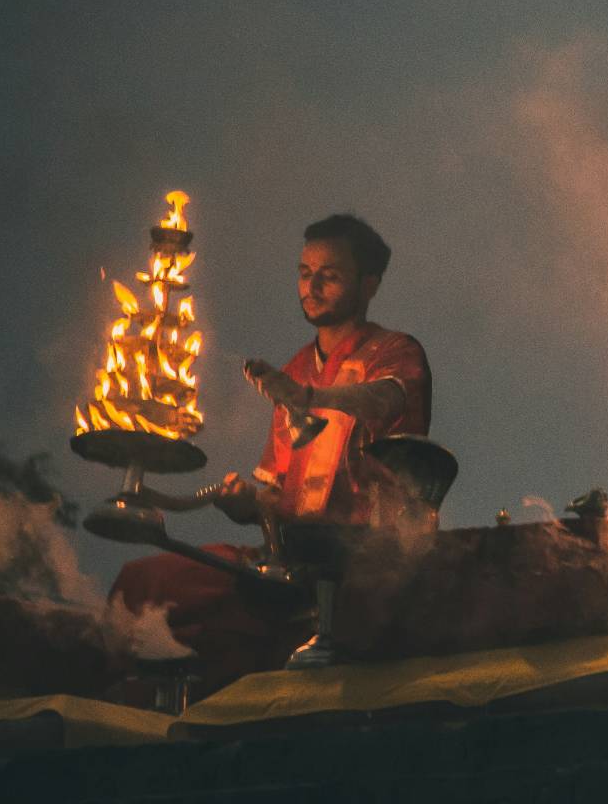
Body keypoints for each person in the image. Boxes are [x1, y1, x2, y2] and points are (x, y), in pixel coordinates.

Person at [110, 214, 432, 688]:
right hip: (284, 560)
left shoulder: (394, 352)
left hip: (363, 561)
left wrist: (304, 397)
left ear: (368, 286)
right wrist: (246, 503)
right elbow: (275, 496)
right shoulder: (295, 369)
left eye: (330, 275)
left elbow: (384, 400)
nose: (312, 286)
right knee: (141, 585)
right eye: (305, 273)